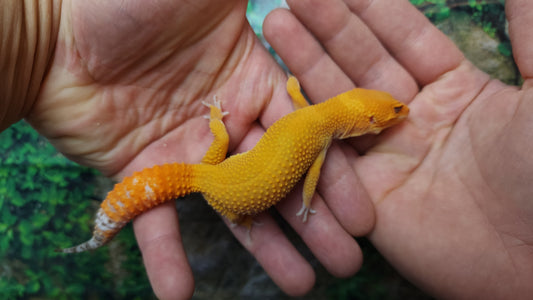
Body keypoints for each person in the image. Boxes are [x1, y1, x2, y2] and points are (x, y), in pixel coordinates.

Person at [2, 0, 532, 299]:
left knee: (228, 177)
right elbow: (308, 181)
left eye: (394, 109)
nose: (399, 112)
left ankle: (103, 230)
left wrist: (38, 39)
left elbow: (298, 91)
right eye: (392, 111)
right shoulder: (321, 135)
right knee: (237, 198)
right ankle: (101, 232)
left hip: (221, 180)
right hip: (223, 193)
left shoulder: (310, 112)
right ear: (363, 120)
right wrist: (301, 203)